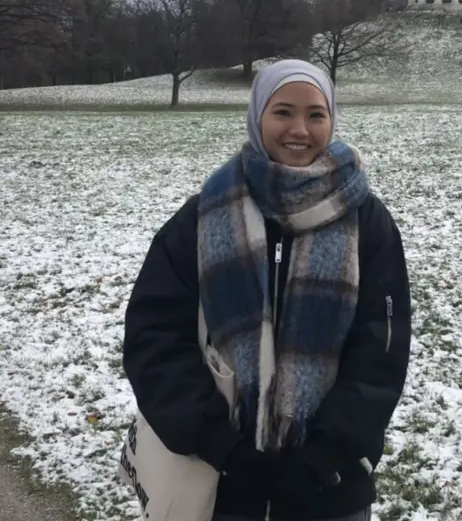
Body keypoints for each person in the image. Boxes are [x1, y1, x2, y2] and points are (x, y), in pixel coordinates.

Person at [123, 59, 412, 521]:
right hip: (220, 482)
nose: (300, 128)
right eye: (283, 112)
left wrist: (326, 452)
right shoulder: (203, 215)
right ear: (258, 115)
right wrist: (223, 447)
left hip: (329, 486)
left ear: (332, 119)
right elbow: (153, 337)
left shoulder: (367, 221)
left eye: (316, 114)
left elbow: (382, 349)